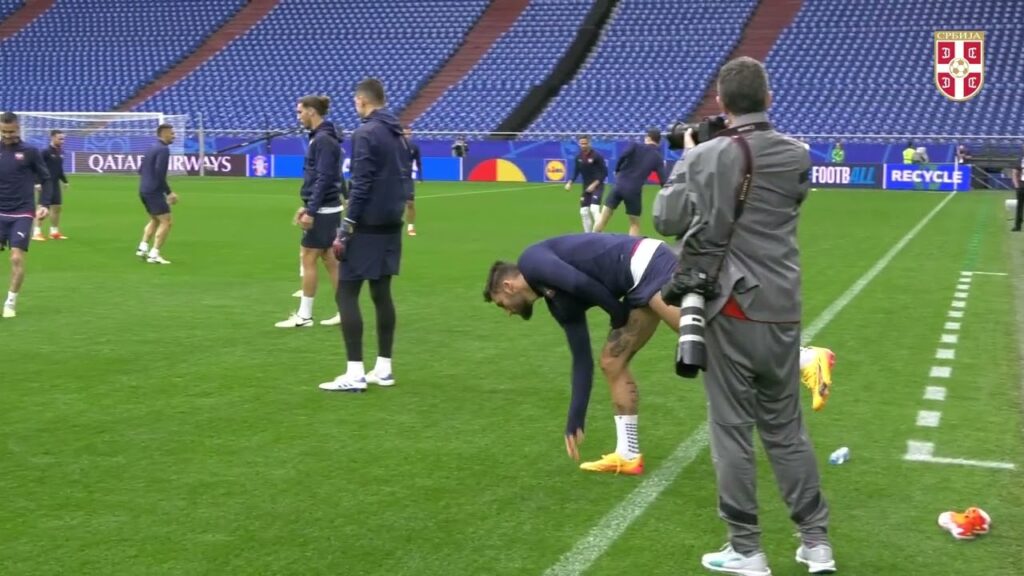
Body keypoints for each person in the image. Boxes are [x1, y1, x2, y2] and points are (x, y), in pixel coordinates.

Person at [657, 56, 835, 575]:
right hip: (783, 304)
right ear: (768, 99)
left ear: (721, 102)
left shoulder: (707, 155)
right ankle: (815, 542)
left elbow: (667, 218)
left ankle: (747, 548)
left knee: (731, 429)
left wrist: (687, 158)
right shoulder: (797, 154)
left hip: (731, 304)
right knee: (786, 428)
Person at [484, 233, 836, 476]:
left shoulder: (532, 260)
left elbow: (582, 283)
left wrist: (616, 314)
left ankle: (805, 358)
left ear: (508, 286)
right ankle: (627, 454)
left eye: (502, 304)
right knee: (611, 362)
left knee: (704, 341)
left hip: (649, 265)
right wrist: (575, 418)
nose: (508, 312)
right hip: (634, 288)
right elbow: (582, 360)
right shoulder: (557, 304)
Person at [319, 78, 410, 392]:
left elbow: (361, 184)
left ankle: (354, 373)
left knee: (346, 292)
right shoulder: (398, 134)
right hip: (391, 224)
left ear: (362, 100)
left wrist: (346, 227)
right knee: (381, 294)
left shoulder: (366, 133)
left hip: (367, 225)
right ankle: (383, 368)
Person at [276, 95, 344, 328]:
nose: (298, 116)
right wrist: (309, 205)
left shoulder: (322, 139)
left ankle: (305, 317)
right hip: (328, 206)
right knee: (330, 259)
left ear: (311, 111)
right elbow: (329, 175)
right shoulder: (325, 137)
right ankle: (345, 311)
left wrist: (311, 211)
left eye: (300, 112)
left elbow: (324, 177)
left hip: (323, 208)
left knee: (309, 256)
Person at [0, 111, 51, 318]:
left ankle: (10, 302)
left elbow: (46, 178)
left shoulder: (30, 151)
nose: (7, 135)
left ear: (18, 128)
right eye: (4, 132)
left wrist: (44, 203)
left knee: (16, 257)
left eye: (11, 131)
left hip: (22, 212)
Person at [593, 128, 667, 237]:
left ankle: (592, 239)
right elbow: (663, 180)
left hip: (618, 185)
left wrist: (617, 170)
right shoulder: (657, 157)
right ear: (659, 142)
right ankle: (632, 247)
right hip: (633, 190)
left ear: (647, 138)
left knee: (603, 217)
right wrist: (666, 192)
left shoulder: (635, 146)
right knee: (634, 224)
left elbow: (623, 156)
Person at [136, 124, 178, 264]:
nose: (174, 136)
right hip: (154, 191)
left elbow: (140, 170)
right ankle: (154, 255)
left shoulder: (152, 148)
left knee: (155, 219)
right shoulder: (163, 149)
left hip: (144, 189)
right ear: (164, 134)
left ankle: (142, 247)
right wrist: (169, 192)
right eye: (172, 133)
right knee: (167, 221)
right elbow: (160, 173)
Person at [563, 135, 608, 232]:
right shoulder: (578, 157)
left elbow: (604, 173)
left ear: (589, 143)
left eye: (585, 143)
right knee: (583, 212)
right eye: (582, 143)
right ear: (579, 144)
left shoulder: (597, 156)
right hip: (586, 187)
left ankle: (598, 234)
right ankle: (587, 235)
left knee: (594, 209)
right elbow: (576, 172)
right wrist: (570, 182)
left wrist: (594, 184)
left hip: (597, 186)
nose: (583, 145)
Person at [404, 126, 422, 236]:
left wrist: (420, 176)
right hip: (394, 179)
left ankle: (410, 227)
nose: (407, 136)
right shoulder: (394, 147)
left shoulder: (414, 147)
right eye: (405, 134)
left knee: (410, 203)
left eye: (408, 134)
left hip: (407, 179)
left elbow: (418, 161)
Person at [1013, 143, 1023, 232]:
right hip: (1022, 185)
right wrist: (1017, 186)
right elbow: (1014, 173)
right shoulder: (1020, 160)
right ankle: (1017, 226)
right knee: (1019, 206)